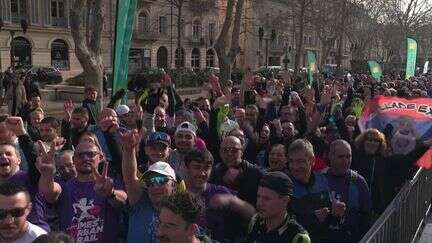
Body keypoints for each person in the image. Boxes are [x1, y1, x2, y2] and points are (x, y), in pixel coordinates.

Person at [37, 139, 127, 243]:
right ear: (74, 160)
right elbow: (48, 192)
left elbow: (123, 200)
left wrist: (111, 194)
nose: (85, 158)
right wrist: (46, 174)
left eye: (91, 154)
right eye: (80, 155)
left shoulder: (109, 183)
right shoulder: (64, 187)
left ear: (101, 157)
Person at [184, 148, 256, 242]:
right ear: (187, 168)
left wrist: (233, 200)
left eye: (206, 168)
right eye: (197, 167)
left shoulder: (219, 191)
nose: (202, 173)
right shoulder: (177, 190)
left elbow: (253, 216)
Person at [119, 129, 177, 243]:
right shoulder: (140, 202)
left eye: (161, 180)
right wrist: (128, 149)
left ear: (174, 186)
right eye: (150, 181)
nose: (155, 186)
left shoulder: (181, 213)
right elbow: (130, 178)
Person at [325, 140, 372, 242]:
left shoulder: (359, 182)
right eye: (341, 157)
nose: (345, 161)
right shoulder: (320, 179)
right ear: (330, 156)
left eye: (348, 156)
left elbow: (366, 217)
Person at [288, 139, 332, 243]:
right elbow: (283, 224)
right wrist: (312, 218)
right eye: (291, 161)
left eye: (300, 161)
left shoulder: (322, 180)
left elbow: (327, 217)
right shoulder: (284, 185)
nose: (295, 167)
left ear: (312, 161)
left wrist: (336, 214)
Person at [246, 172, 311, 243]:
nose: (259, 203)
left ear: (285, 201)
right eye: (258, 196)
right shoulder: (255, 221)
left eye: (266, 199)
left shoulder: (298, 237)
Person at [210, 136, 264, 206]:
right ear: (220, 153)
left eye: (234, 150)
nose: (229, 154)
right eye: (225, 150)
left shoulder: (255, 173)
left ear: (241, 152)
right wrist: (223, 182)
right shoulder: (214, 172)